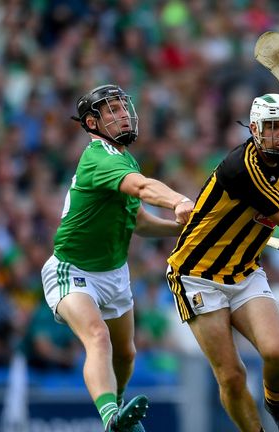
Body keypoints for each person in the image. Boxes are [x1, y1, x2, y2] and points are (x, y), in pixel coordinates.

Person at [165, 93, 279, 432]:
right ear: (254, 129)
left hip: (244, 271)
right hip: (197, 276)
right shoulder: (243, 167)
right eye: (273, 127)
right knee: (233, 376)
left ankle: (276, 405)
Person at [41, 84, 194, 432]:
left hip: (114, 273)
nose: (123, 114)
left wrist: (180, 229)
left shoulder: (124, 159)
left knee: (126, 354)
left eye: (123, 107)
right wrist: (179, 201)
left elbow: (137, 221)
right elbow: (142, 188)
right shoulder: (99, 157)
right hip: (72, 270)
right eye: (112, 110)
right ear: (92, 124)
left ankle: (118, 407)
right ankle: (110, 417)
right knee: (98, 337)